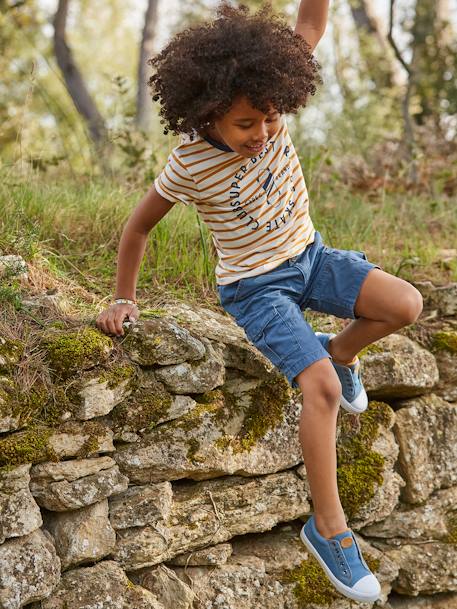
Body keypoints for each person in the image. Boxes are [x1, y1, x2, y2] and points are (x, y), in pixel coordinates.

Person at [96, 1, 423, 603]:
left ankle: (342, 352)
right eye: (247, 125)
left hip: (312, 258)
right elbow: (138, 228)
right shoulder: (189, 164)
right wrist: (123, 297)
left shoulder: (268, 99)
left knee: (404, 304)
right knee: (320, 388)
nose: (263, 134)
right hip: (256, 287)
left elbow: (313, 25)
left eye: (271, 119)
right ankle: (329, 532)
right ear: (209, 114)